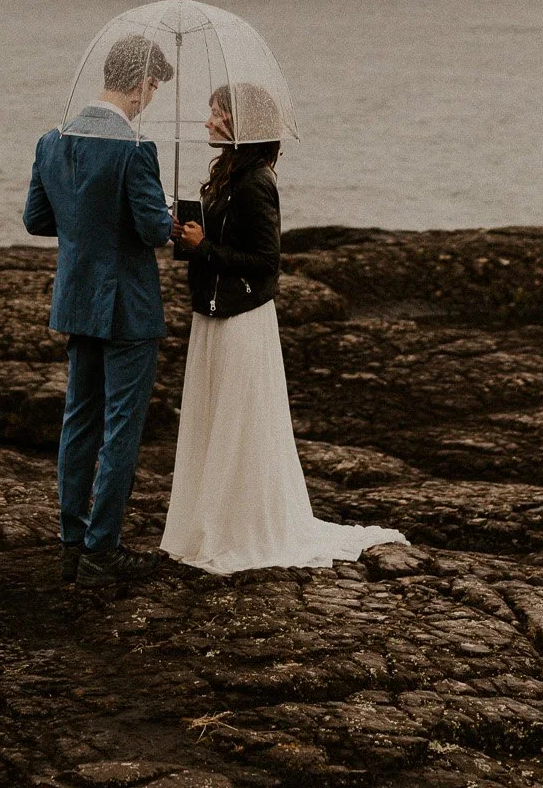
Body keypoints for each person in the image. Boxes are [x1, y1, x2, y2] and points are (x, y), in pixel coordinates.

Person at [163, 82, 406, 574]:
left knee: (240, 422)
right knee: (217, 419)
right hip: (214, 313)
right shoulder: (227, 177)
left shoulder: (255, 183)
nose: (207, 122)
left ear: (241, 123)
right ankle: (213, 520)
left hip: (241, 319)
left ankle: (241, 527)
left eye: (216, 114)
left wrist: (204, 245)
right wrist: (187, 236)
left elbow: (265, 262)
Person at [23, 32, 178, 587]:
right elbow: (154, 231)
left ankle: (73, 541)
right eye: (155, 86)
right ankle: (102, 548)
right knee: (121, 429)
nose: (153, 97)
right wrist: (166, 210)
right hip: (128, 308)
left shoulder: (51, 141)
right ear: (141, 83)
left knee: (78, 421)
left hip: (77, 300)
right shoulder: (135, 150)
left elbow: (36, 220)